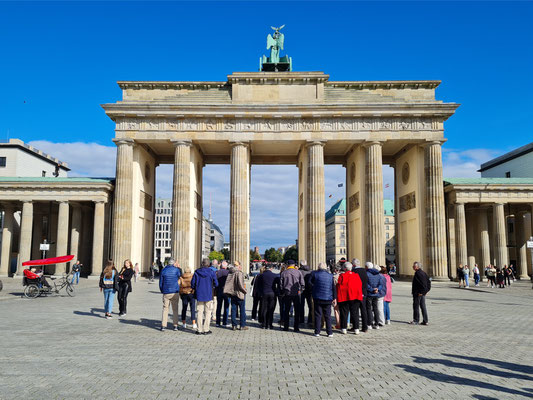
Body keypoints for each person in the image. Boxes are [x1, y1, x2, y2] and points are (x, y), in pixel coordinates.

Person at [191, 258, 218, 335]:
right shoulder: (211, 272)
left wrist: (195, 288)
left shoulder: (197, 272)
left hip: (199, 294)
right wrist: (212, 286)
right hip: (208, 294)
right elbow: (216, 283)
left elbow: (192, 283)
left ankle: (199, 329)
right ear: (208, 264)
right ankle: (206, 329)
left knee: (199, 312)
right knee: (208, 312)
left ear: (202, 263)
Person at [309, 262, 336, 337]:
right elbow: (333, 288)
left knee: (318, 315)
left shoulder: (315, 274)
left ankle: (317, 332)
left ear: (318, 267)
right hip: (328, 298)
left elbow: (309, 283)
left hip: (317, 297)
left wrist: (314, 288)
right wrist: (334, 298)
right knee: (328, 315)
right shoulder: (331, 276)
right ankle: (329, 332)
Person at [336, 262, 363, 334]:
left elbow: (339, 286)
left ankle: (344, 328)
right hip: (355, 297)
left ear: (345, 268)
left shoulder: (342, 276)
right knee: (355, 313)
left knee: (344, 313)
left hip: (345, 297)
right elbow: (360, 285)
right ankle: (356, 328)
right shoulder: (356, 275)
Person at [280, 260, 305, 332]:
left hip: (287, 293)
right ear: (294, 265)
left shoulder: (284, 273)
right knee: (297, 311)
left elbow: (281, 284)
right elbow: (302, 284)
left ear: (288, 265)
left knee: (286, 310)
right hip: (296, 293)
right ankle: (296, 327)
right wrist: (301, 290)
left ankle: (286, 327)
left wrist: (282, 291)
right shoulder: (298, 272)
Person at [224, 261, 248, 330]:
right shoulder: (238, 273)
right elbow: (240, 284)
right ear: (238, 266)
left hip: (232, 293)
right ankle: (242, 325)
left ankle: (234, 325)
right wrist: (244, 291)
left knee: (233, 310)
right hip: (239, 293)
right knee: (242, 310)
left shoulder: (230, 272)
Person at [159, 258, 181, 331]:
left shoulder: (163, 270)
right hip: (175, 291)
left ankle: (163, 325)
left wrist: (162, 290)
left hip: (166, 292)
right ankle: (175, 325)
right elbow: (179, 277)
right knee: (175, 309)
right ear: (173, 263)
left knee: (165, 309)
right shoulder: (176, 270)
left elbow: (161, 283)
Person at [260, 263, 278, 329]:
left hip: (264, 293)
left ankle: (264, 324)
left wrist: (261, 293)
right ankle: (270, 324)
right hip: (272, 293)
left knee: (264, 309)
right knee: (271, 309)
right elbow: (278, 285)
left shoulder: (261, 275)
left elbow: (258, 286)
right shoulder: (274, 275)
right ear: (271, 268)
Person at [352, 259, 368, 333]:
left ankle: (356, 327)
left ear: (354, 265)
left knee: (355, 310)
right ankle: (365, 327)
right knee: (363, 310)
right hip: (364, 292)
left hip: (356, 293)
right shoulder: (364, 271)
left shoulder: (353, 272)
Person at [366, 262, 383, 329]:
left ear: (366, 267)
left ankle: (370, 323)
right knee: (375, 308)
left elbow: (366, 284)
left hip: (369, 293)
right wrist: (377, 289)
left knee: (369, 309)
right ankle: (376, 324)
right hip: (376, 294)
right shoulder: (378, 274)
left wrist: (372, 289)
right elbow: (381, 284)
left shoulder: (367, 274)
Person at [215, 261, 231, 327]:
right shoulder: (228, 273)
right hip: (226, 292)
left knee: (219, 306)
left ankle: (217, 322)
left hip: (219, 291)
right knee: (226, 307)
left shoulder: (217, 272)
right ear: (226, 266)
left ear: (221, 266)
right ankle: (225, 322)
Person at [298, 261, 313, 326]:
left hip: (301, 290)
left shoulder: (299, 272)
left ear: (300, 265)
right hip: (309, 290)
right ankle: (310, 320)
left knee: (301, 305)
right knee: (310, 305)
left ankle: (301, 320)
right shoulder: (311, 271)